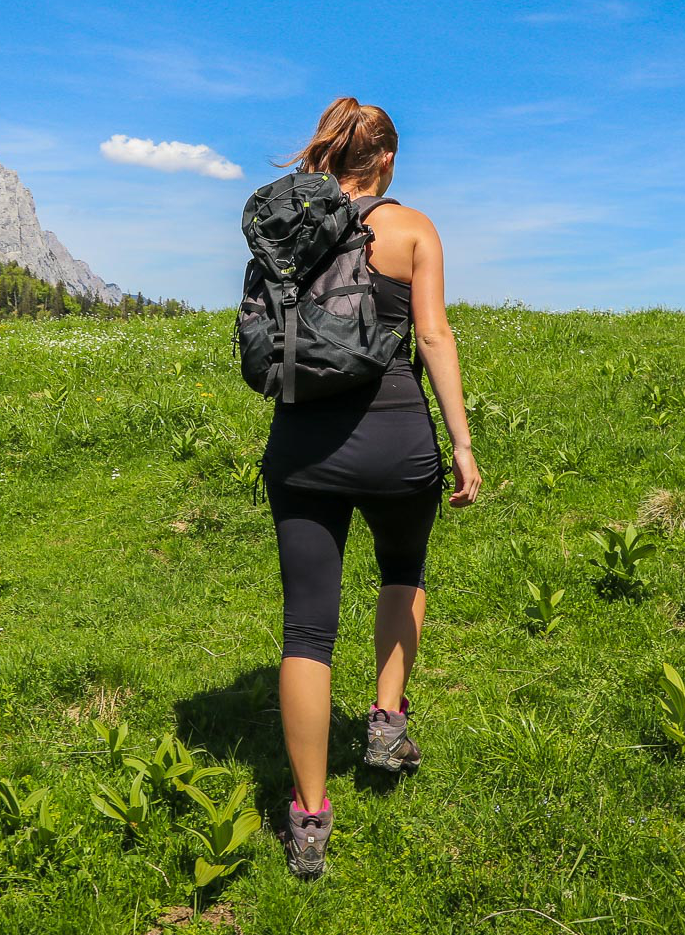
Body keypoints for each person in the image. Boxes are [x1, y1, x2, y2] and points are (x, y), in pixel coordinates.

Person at [261, 97, 481, 880]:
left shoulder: (285, 221)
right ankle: (386, 720)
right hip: (396, 441)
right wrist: (460, 442)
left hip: (302, 444)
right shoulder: (413, 228)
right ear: (383, 160)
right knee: (402, 571)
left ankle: (310, 818)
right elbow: (433, 335)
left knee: (307, 631)